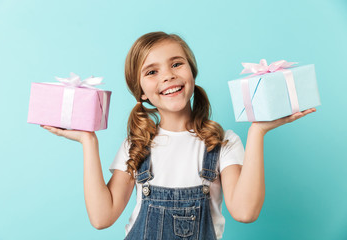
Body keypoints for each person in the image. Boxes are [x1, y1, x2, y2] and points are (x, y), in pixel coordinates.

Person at [41, 31, 316, 240]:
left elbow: (245, 212)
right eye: (152, 71)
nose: (168, 76)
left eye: (176, 64)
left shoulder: (223, 143)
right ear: (142, 93)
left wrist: (258, 131)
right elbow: (102, 218)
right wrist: (89, 142)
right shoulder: (136, 146)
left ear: (192, 73)